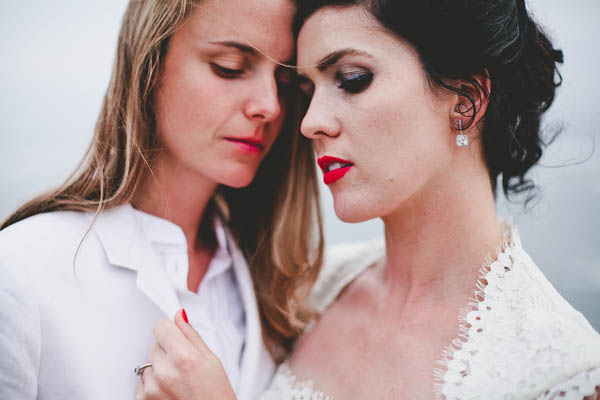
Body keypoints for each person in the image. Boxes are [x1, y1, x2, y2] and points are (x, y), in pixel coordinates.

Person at [137, 0, 600, 399]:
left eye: (353, 79)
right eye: (306, 91)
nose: (309, 122)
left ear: (466, 98)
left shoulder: (564, 372)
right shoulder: (306, 295)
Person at [0, 0, 325, 399]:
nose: (270, 106)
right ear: (149, 65)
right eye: (229, 66)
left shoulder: (280, 291)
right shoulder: (20, 269)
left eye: (287, 84)